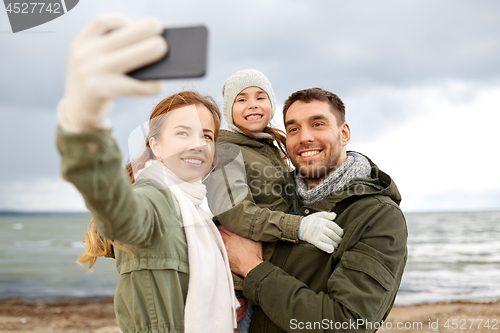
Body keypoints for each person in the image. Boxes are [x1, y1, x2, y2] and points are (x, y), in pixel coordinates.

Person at [56, 16, 240, 333]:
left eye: (207, 136)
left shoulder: (198, 208)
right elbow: (117, 209)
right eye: (183, 133)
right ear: (155, 144)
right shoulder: (155, 200)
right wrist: (84, 121)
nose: (198, 144)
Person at [219, 88, 408, 333]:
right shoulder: (270, 195)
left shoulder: (378, 216)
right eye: (293, 129)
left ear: (344, 133)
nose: (304, 137)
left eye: (318, 124)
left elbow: (346, 324)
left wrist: (252, 268)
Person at [206, 70, 344, 333]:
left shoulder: (269, 148)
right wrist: (300, 227)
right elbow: (234, 212)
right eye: (242, 99)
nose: (253, 104)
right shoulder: (226, 151)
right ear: (228, 110)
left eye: (260, 96)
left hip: (267, 274)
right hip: (239, 287)